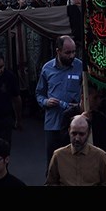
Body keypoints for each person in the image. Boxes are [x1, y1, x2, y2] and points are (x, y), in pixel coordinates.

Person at [35, 35, 82, 171]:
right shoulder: (47, 68)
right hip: (53, 124)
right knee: (53, 163)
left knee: (74, 163)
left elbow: (88, 92)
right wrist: (45, 101)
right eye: (68, 53)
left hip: (74, 125)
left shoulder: (80, 67)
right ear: (58, 51)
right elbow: (39, 93)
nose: (72, 55)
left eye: (74, 51)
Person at [45, 114, 106, 186]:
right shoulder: (58, 155)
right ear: (69, 131)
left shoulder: (100, 157)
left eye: (81, 134)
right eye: (74, 133)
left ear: (88, 133)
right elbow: (50, 183)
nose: (77, 138)